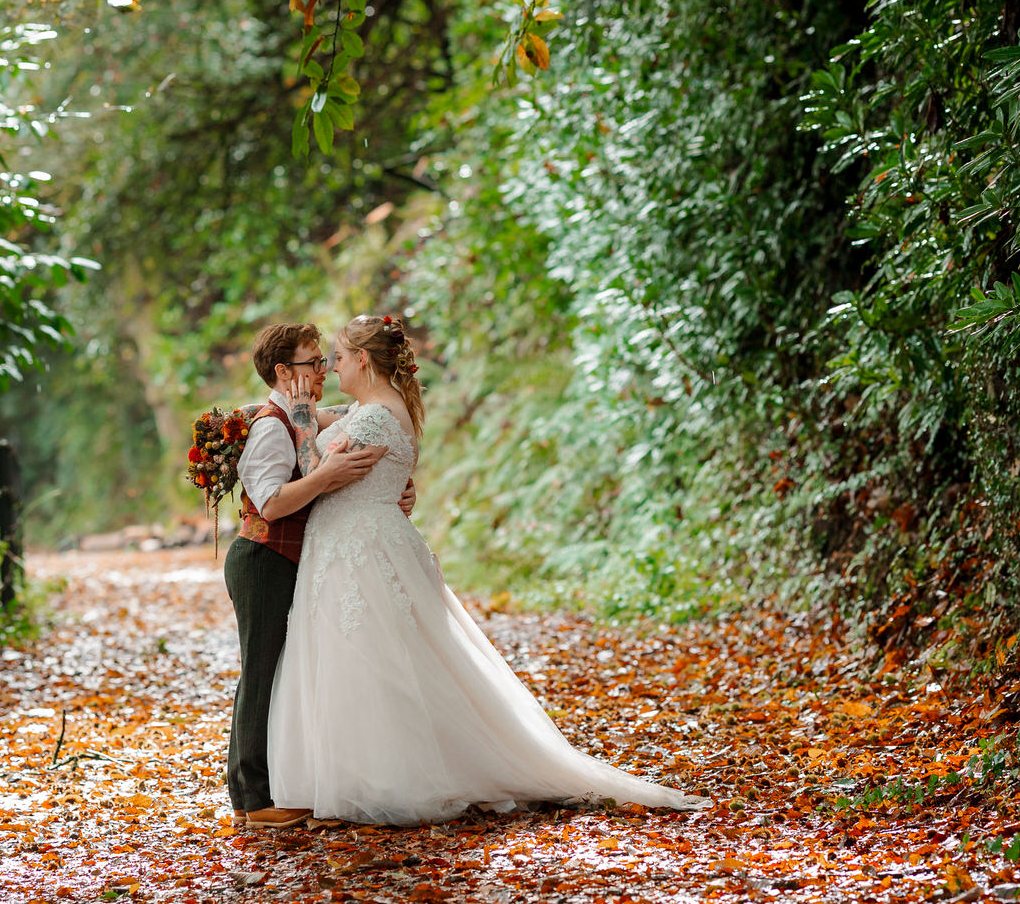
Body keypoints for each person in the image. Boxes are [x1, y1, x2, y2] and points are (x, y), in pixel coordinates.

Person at [267, 314, 712, 825]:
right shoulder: (370, 409)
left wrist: (301, 418)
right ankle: (355, 773)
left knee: (374, 659)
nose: (331, 367)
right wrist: (271, 412)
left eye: (338, 358)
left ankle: (389, 777)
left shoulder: (372, 419)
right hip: (353, 542)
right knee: (371, 657)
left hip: (359, 549)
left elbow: (310, 467)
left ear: (362, 360)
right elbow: (325, 423)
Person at [223, 322, 415, 829]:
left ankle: (288, 783)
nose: (323, 371)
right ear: (286, 372)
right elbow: (270, 501)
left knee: (284, 669)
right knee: (260, 672)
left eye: (327, 360)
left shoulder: (303, 413)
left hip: (298, 557)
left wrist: (392, 486)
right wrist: (326, 477)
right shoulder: (272, 424)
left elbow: (365, 426)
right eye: (313, 363)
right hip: (263, 558)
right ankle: (252, 799)